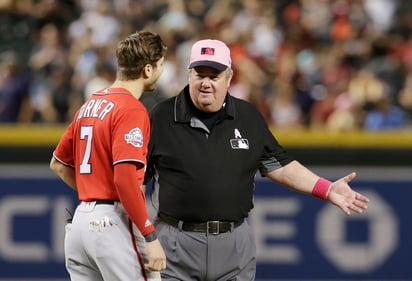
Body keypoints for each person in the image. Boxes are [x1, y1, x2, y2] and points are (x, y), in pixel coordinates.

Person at [144, 39, 370, 281]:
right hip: (175, 243)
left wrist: (326, 188)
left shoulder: (247, 116)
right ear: (189, 74)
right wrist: (144, 236)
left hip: (234, 244)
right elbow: (135, 180)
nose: (206, 83)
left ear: (229, 78)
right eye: (200, 74)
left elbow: (279, 165)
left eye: (215, 75)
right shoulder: (162, 117)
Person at [50, 30, 167, 281]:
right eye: (159, 65)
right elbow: (124, 179)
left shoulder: (91, 102)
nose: (160, 71)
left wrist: (93, 199)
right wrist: (149, 235)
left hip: (81, 222)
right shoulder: (132, 109)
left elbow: (58, 164)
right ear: (148, 69)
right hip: (113, 224)